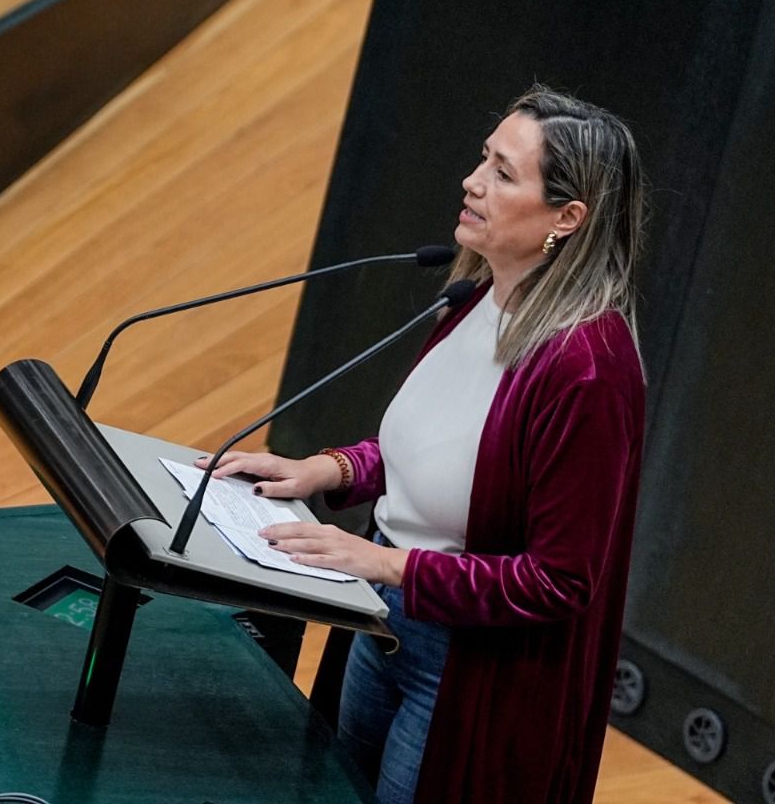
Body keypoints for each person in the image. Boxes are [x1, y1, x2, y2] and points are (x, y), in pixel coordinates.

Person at [195, 85, 646, 804]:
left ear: (567, 217)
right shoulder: (477, 297)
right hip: (379, 619)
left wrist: (384, 560)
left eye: (503, 172)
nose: (472, 181)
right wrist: (325, 468)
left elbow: (561, 580)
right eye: (482, 159)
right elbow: (442, 456)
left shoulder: (586, 367)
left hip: (468, 664)